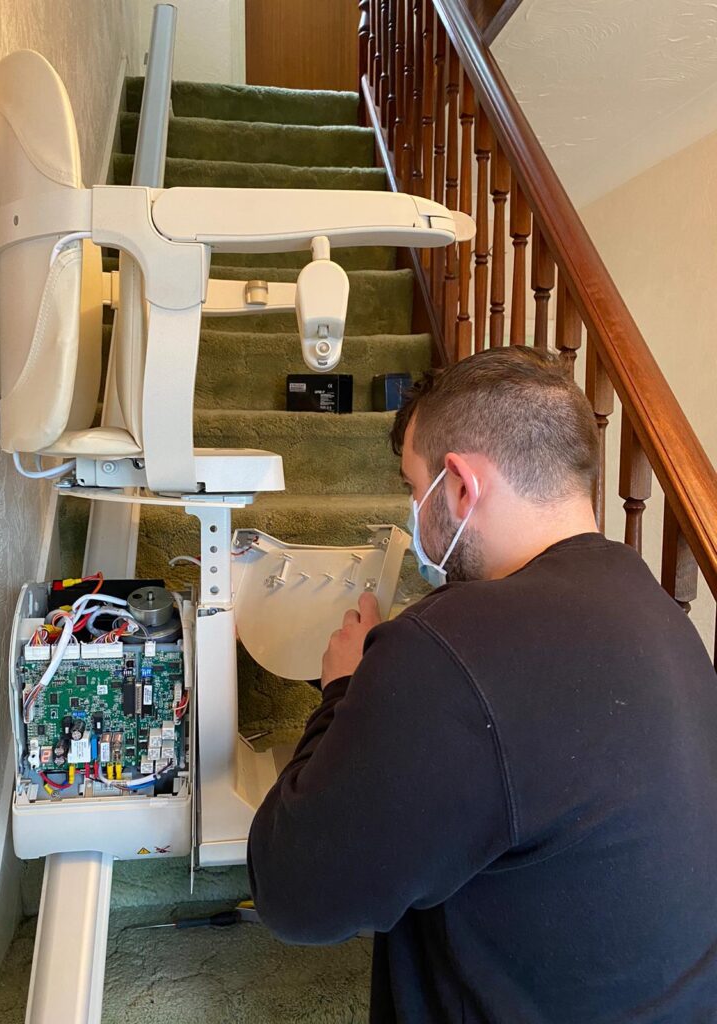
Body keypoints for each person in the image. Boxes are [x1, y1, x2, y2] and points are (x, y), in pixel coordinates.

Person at [247, 346, 717, 1024]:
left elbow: (294, 894)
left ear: (461, 486)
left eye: (414, 488)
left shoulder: (450, 642)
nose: (415, 513)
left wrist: (343, 691)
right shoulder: (659, 612)